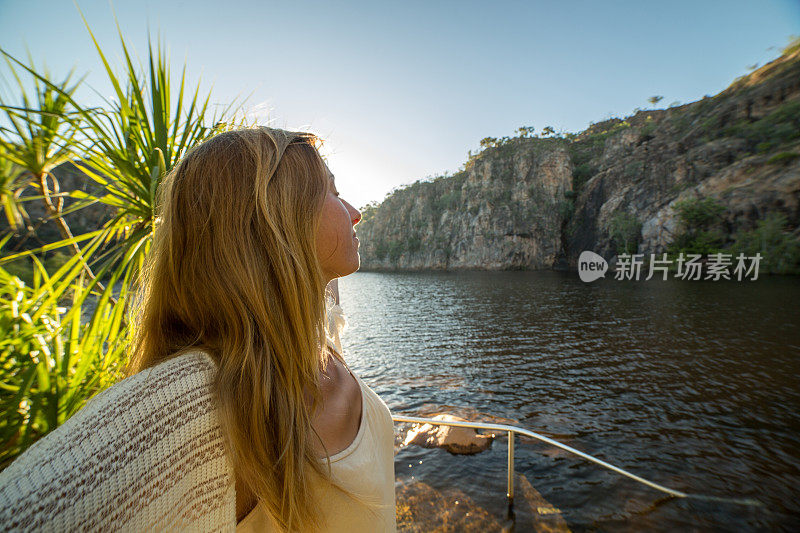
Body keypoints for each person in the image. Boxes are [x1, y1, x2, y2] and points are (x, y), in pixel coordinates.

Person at [0, 127, 397, 532]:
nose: (354, 211)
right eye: (332, 192)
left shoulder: (317, 345)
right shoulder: (204, 397)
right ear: (276, 220)